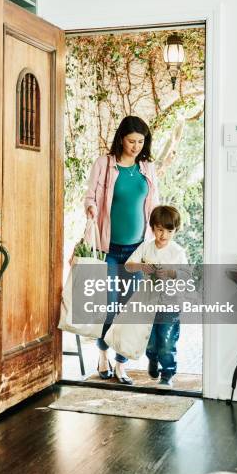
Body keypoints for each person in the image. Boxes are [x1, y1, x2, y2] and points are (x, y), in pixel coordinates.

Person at [84, 115, 159, 384]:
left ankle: (120, 363)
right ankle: (103, 355)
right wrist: (91, 207)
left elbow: (153, 205)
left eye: (141, 141)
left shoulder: (147, 168)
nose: (136, 146)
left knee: (130, 309)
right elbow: (91, 195)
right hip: (108, 249)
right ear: (121, 139)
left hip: (137, 252)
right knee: (109, 305)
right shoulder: (104, 164)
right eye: (131, 141)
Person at [125, 205, 188, 388]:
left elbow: (185, 274)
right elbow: (129, 265)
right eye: (160, 230)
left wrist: (169, 272)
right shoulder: (146, 247)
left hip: (170, 304)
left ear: (175, 231)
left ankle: (167, 373)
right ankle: (152, 359)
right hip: (148, 303)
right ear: (152, 228)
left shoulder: (177, 252)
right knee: (150, 340)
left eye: (170, 231)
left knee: (166, 342)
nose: (164, 235)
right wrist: (142, 267)